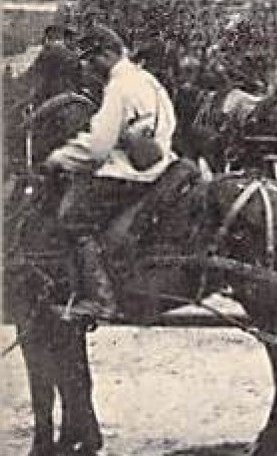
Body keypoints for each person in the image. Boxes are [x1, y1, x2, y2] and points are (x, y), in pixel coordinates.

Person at [43, 24, 178, 322]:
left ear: (106, 54)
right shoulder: (148, 80)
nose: (89, 69)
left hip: (127, 173)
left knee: (72, 217)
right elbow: (170, 123)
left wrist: (59, 158)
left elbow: (97, 148)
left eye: (91, 60)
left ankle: (99, 299)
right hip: (161, 165)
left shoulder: (118, 87)